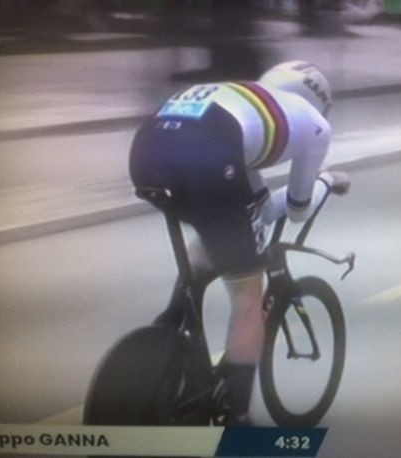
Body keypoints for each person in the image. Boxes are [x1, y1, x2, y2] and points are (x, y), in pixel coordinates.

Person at [129, 61, 349, 426]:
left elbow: (257, 207)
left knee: (218, 231)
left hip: (146, 151)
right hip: (209, 153)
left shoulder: (248, 101)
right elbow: (297, 210)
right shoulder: (314, 125)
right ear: (318, 100)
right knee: (248, 298)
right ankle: (237, 416)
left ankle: (166, 331)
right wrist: (327, 181)